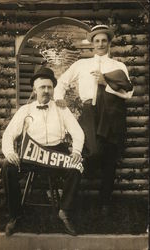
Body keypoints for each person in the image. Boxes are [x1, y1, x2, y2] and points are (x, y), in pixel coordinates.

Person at [54, 24, 134, 215]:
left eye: (103, 40)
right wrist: (59, 98)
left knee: (110, 156)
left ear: (109, 43)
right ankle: (72, 192)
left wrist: (106, 84)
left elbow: (129, 93)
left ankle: (104, 202)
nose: (100, 44)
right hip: (90, 112)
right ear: (92, 44)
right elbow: (62, 83)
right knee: (93, 151)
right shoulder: (82, 64)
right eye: (96, 41)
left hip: (113, 112)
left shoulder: (118, 66)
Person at [1, 66, 84, 236]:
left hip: (56, 154)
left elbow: (78, 133)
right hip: (32, 155)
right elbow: (9, 134)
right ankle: (15, 215)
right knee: (7, 166)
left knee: (77, 167)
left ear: (53, 89)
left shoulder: (62, 109)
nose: (46, 91)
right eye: (42, 87)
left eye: (49, 87)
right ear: (35, 89)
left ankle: (64, 211)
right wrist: (10, 152)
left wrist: (76, 151)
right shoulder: (26, 110)